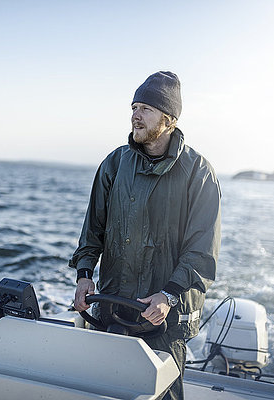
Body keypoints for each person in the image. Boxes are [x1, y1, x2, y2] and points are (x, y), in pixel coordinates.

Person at [69, 71, 221, 400]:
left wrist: (168, 295)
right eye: (134, 107)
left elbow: (202, 252)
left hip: (165, 315)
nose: (136, 115)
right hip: (112, 305)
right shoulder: (114, 163)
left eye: (146, 109)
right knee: (107, 391)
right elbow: (92, 230)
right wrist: (84, 276)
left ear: (169, 119)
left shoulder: (199, 172)